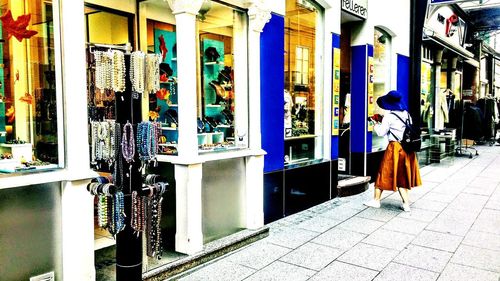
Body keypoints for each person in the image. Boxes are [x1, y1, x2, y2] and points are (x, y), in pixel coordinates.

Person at [365, 90, 422, 212]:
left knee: (383, 172)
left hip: (394, 148)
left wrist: (375, 123)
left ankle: (376, 200)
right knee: (402, 176)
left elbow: (381, 132)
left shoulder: (389, 116)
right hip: (407, 149)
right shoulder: (406, 114)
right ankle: (406, 204)